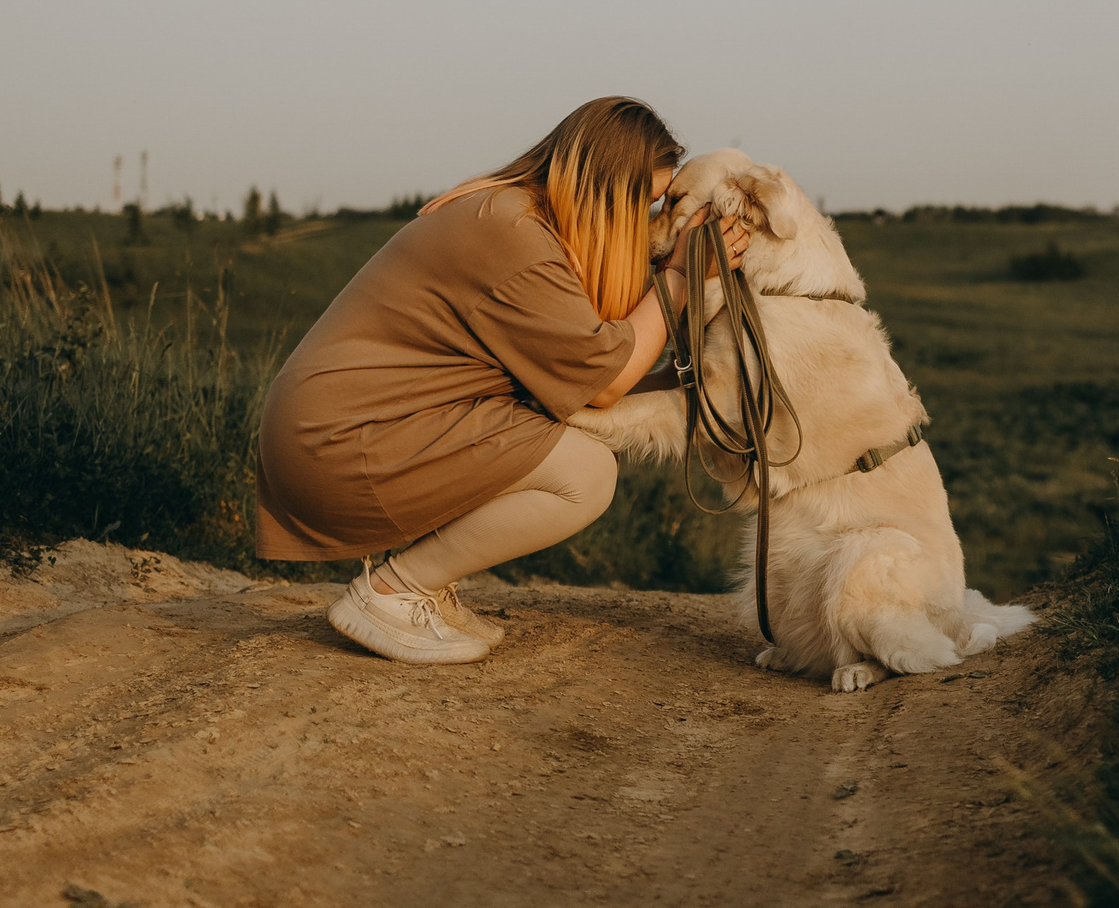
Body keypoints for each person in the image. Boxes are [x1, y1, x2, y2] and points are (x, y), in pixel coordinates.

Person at [253, 97, 748, 664]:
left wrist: (707, 380)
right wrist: (682, 274)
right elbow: (604, 385)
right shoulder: (517, 238)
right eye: (646, 201)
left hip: (348, 429)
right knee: (584, 474)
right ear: (607, 188)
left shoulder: (516, 216)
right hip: (337, 444)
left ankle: (421, 584)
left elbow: (587, 380)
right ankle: (394, 591)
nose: (649, 224)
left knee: (565, 442)